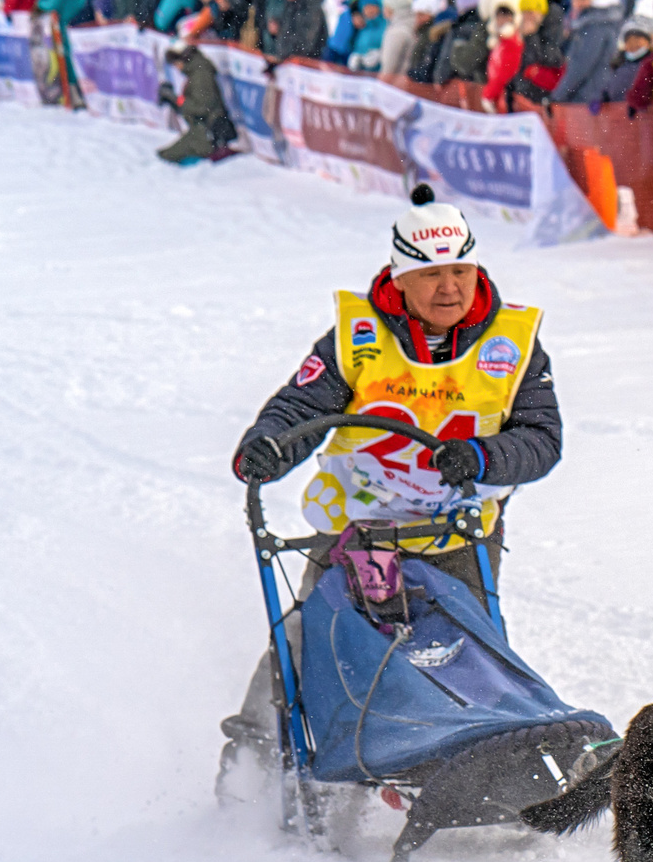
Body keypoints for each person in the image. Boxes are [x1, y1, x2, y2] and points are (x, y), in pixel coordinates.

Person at [220, 189, 565, 769]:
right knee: (312, 640)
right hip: (356, 530)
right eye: (431, 275)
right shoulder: (357, 338)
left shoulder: (515, 343)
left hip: (456, 534)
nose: (450, 288)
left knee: (463, 652)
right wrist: (268, 448)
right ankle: (254, 749)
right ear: (400, 278)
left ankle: (477, 762)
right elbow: (300, 408)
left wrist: (482, 457)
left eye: (461, 270)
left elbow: (541, 438)